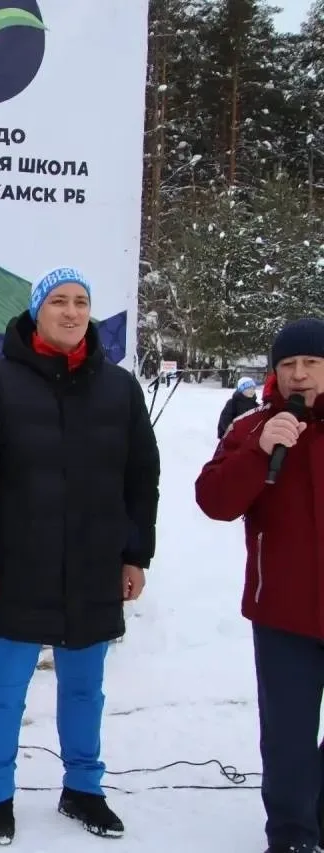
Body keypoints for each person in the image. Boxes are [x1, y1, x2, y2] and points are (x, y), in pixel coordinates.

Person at [0, 267, 160, 845]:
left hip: (94, 565)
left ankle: (83, 788)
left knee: (85, 689)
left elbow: (142, 477)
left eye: (81, 302)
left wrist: (135, 554)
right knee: (6, 689)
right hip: (19, 567)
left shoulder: (119, 389)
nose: (71, 312)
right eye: (59, 301)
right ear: (37, 311)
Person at [195, 317, 324, 853]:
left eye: (311, 363)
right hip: (283, 613)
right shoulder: (252, 428)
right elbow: (214, 501)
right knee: (289, 735)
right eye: (288, 364)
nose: (299, 374)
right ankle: (292, 835)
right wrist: (259, 452)